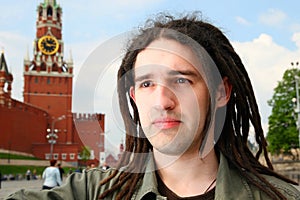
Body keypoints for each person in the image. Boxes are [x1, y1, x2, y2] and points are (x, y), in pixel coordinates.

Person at [5, 12, 300, 200]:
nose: (162, 102)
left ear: (221, 92)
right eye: (147, 84)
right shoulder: (96, 192)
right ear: (133, 96)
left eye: (182, 80)